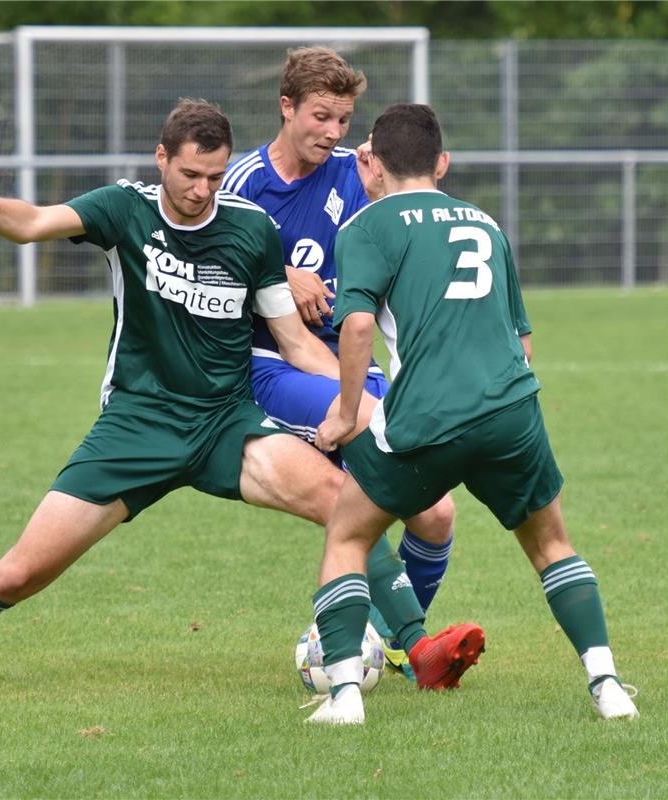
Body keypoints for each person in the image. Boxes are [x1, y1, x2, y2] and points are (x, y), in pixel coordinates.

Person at [0, 99, 475, 695]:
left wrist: (356, 400)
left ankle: (417, 651)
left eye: (212, 175)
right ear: (161, 158)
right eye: (188, 174)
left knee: (341, 503)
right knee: (20, 573)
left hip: (225, 423)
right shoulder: (124, 209)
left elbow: (293, 341)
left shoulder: (250, 230)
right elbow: (30, 223)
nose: (202, 190)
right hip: (137, 425)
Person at [305, 103, 639, 724]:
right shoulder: (486, 225)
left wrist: (344, 415)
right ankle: (607, 683)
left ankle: (345, 694)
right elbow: (524, 343)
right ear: (442, 163)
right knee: (552, 546)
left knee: (348, 534)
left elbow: (354, 326)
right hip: (511, 410)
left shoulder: (366, 226)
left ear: (370, 164)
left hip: (426, 419)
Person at [223, 46, 463, 678]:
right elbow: (208, 271)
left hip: (348, 359)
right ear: (287, 107)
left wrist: (381, 178)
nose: (332, 133)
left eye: (342, 120)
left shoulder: (355, 174)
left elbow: (405, 222)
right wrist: (279, 277)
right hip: (274, 366)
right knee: (363, 473)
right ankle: (414, 650)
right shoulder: (244, 183)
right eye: (321, 117)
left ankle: (382, 642)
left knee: (436, 513)